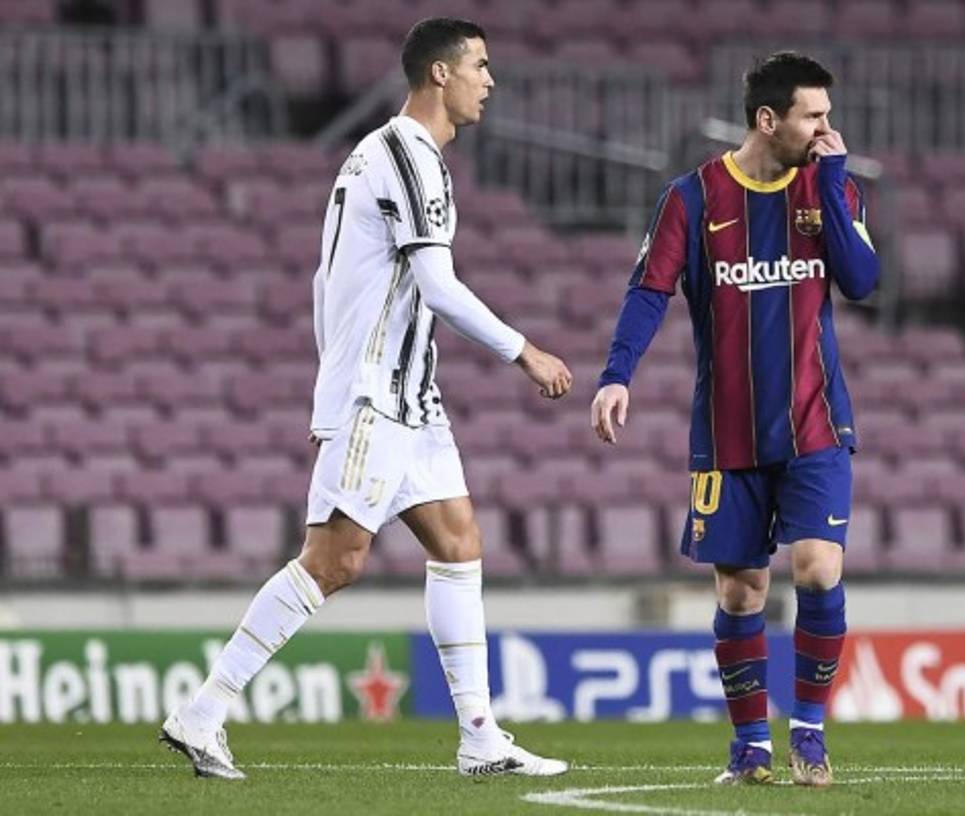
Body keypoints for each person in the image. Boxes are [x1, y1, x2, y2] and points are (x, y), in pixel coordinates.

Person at [160, 17, 572, 780]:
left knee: (459, 544)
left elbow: (327, 284)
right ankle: (203, 711)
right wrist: (525, 351)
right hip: (379, 398)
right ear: (440, 75)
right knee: (334, 561)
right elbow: (437, 287)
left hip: (409, 399)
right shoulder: (408, 156)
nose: (491, 80)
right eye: (480, 65)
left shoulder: (379, 158)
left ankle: (480, 736)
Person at [590, 52, 879, 788]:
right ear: (767, 118)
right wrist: (617, 374)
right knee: (740, 592)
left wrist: (834, 183)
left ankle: (809, 735)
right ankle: (750, 748)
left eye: (826, 115)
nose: (826, 129)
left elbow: (863, 281)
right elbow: (649, 291)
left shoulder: (830, 188)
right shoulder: (692, 199)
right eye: (813, 116)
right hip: (728, 434)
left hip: (816, 423)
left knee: (817, 566)